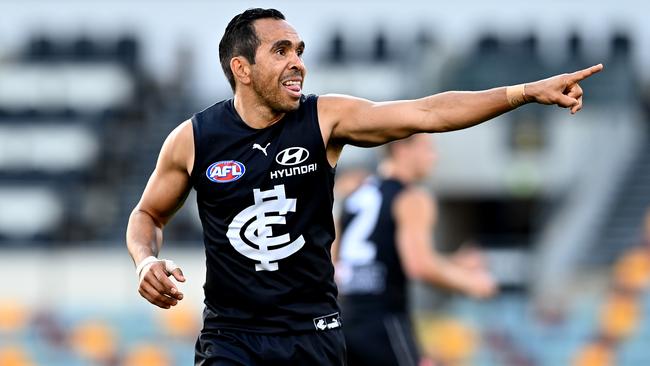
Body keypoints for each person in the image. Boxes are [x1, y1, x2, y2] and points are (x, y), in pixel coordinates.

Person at [124, 7, 603, 366]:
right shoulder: (193, 139)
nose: (297, 63)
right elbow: (147, 215)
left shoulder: (325, 119)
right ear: (241, 68)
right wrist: (146, 259)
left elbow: (428, 113)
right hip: (231, 337)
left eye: (299, 51)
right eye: (281, 50)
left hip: (313, 333)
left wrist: (522, 92)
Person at [333, 135, 496, 366]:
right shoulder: (412, 197)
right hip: (385, 323)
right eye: (427, 148)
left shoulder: (355, 195)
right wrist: (471, 282)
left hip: (344, 321)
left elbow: (338, 263)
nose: (434, 156)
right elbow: (419, 265)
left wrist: (452, 262)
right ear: (401, 148)